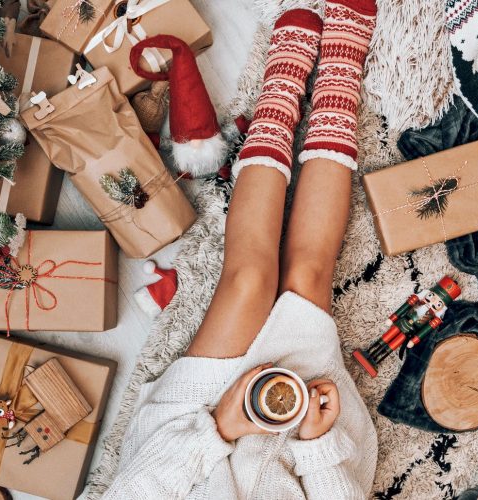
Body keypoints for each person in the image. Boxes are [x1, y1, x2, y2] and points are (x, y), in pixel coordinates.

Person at [105, 2, 378, 498]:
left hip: (189, 444)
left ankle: (280, 92)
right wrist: (316, 448)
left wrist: (221, 428)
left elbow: (136, 487)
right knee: (309, 277)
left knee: (248, 279)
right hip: (296, 461)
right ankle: (340, 76)